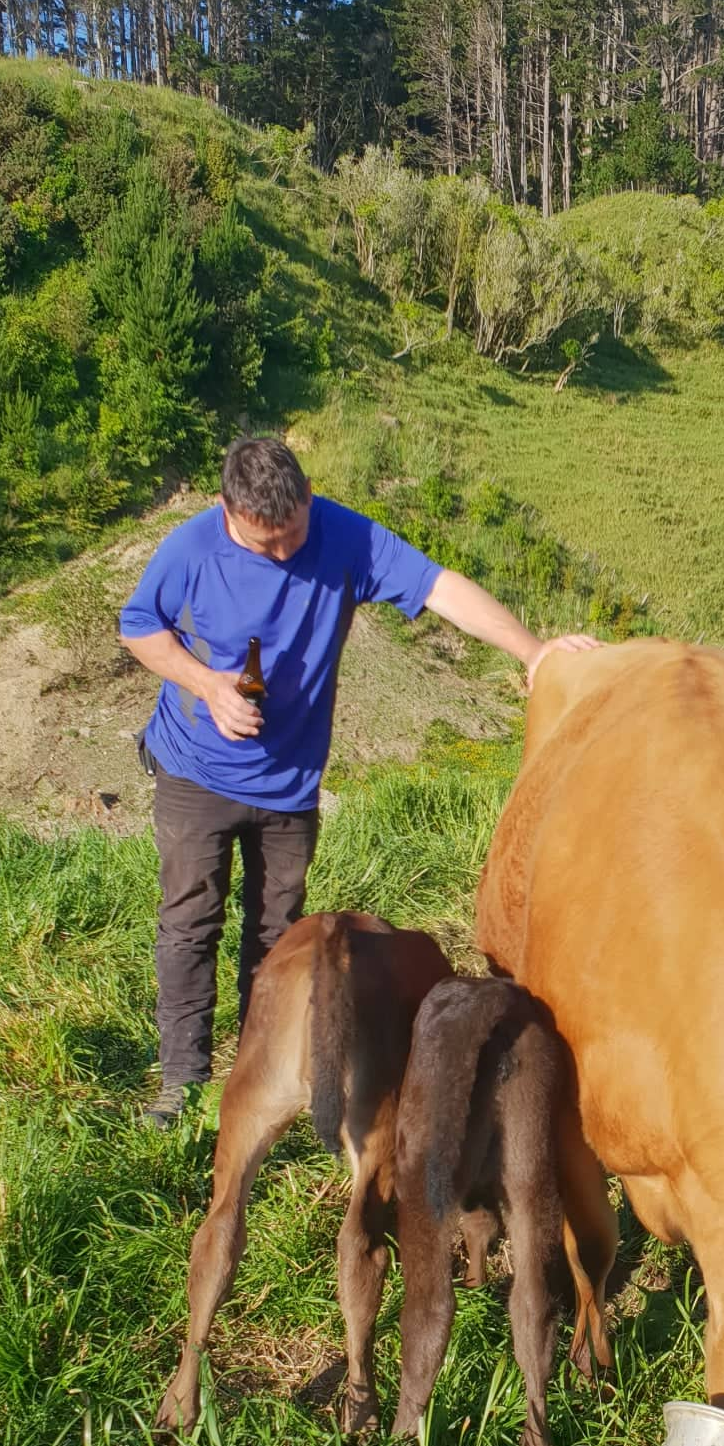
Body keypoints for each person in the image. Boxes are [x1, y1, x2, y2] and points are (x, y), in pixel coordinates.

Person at [119, 434, 598, 1128]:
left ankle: (258, 1072)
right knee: (190, 922)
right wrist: (207, 685)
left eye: (294, 534)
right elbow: (139, 626)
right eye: (265, 544)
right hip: (197, 769)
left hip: (289, 785)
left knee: (278, 935)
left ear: (310, 499)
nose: (285, 554)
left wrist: (534, 650)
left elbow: (439, 588)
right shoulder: (191, 548)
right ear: (227, 513)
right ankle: (182, 1083)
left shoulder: (344, 535)